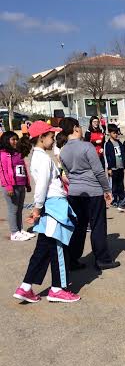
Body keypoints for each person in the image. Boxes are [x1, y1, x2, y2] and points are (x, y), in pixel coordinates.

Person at [12, 121, 80, 303]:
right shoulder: (42, 158)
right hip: (53, 207)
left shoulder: (40, 156)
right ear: (41, 138)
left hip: (51, 205)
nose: (53, 139)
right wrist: (37, 209)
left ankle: (26, 287)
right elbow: (41, 186)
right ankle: (57, 289)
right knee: (58, 248)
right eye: (51, 136)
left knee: (43, 248)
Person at [59, 117, 119, 271]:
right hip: (93, 191)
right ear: (75, 128)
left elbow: (67, 172)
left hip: (74, 192)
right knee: (97, 225)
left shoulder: (63, 150)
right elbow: (98, 171)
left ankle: (72, 259)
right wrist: (107, 189)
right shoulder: (87, 147)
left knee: (78, 227)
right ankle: (102, 259)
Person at [1, 130, 34, 241]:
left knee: (19, 209)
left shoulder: (17, 153)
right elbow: (3, 172)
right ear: (6, 140)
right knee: (13, 209)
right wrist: (9, 186)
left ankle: (20, 230)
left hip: (21, 185)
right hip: (11, 186)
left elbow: (23, 168)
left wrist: (27, 183)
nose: (15, 141)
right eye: (13, 139)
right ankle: (14, 232)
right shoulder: (3, 154)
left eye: (16, 139)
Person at [104, 124, 125, 206]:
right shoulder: (108, 144)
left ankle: (122, 199)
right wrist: (109, 168)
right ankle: (114, 199)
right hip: (113, 168)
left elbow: (123, 155)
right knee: (114, 185)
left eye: (117, 133)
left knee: (121, 184)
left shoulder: (119, 143)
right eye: (114, 133)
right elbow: (107, 157)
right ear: (110, 133)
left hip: (120, 166)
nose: (116, 134)